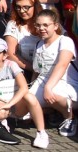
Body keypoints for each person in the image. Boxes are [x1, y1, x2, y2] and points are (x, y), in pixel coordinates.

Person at [29, 8, 78, 137]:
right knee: (27, 107)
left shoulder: (65, 41)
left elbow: (62, 65)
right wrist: (30, 87)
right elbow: (37, 70)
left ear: (56, 25)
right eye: (38, 25)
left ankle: (69, 117)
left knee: (53, 94)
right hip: (44, 80)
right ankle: (54, 112)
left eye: (46, 25)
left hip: (66, 81)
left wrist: (48, 87)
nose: (41, 28)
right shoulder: (39, 44)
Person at [5, 0, 42, 77]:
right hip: (25, 70)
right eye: (18, 7)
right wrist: (34, 69)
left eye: (26, 7)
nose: (21, 11)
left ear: (35, 7)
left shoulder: (46, 21)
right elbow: (10, 54)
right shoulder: (13, 25)